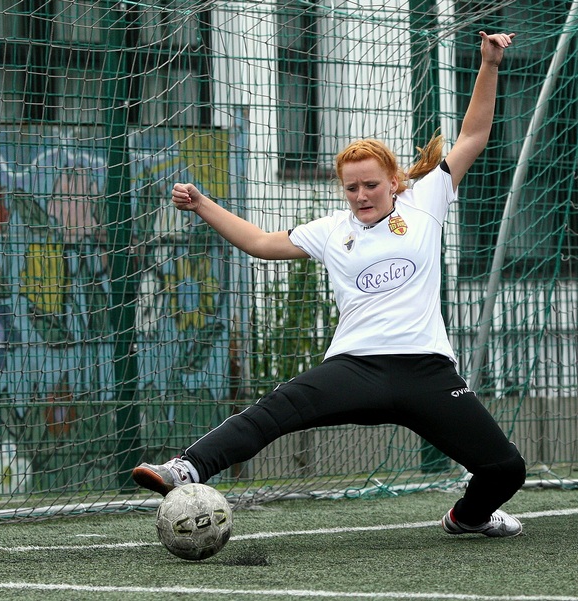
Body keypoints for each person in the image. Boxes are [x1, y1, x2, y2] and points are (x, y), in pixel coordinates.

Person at [133, 31, 526, 537]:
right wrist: (204, 204)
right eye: (351, 187)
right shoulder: (329, 231)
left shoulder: (426, 200)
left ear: (394, 182)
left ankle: (468, 518)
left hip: (425, 370)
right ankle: (183, 469)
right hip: (355, 367)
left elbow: (472, 135)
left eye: (371, 184)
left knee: (505, 469)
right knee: (273, 410)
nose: (361, 195)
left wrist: (489, 65)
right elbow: (257, 242)